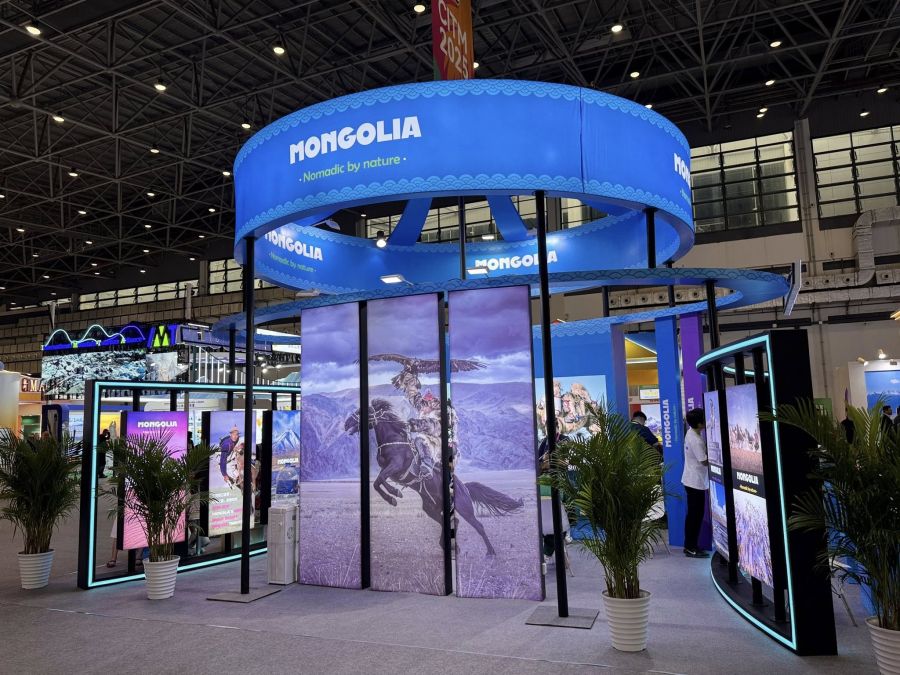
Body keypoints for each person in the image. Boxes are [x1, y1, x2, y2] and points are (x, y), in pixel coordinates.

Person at [682, 408, 710, 559]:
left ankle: (690, 545)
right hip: (695, 482)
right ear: (699, 423)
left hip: (692, 480)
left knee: (693, 516)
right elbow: (703, 461)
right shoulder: (696, 440)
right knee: (695, 516)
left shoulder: (691, 432)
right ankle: (691, 547)